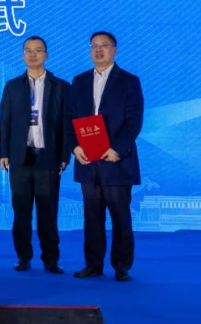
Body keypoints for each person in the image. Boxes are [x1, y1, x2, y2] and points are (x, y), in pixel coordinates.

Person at [68, 31, 143, 282]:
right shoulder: (79, 81)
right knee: (92, 217)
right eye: (94, 46)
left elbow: (134, 121)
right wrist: (74, 147)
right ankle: (93, 264)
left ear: (115, 50)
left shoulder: (129, 81)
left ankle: (122, 266)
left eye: (104, 45)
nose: (99, 50)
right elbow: (70, 118)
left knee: (120, 216)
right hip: (87, 161)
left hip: (116, 161)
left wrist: (117, 149)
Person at [0, 36, 69, 274]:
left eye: (38, 50)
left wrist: (64, 155)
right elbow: (5, 121)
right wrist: (4, 152)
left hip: (48, 158)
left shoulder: (61, 86)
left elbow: (67, 125)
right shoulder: (12, 86)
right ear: (23, 55)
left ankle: (51, 259)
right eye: (28, 50)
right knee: (21, 213)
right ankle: (23, 257)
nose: (32, 54)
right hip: (20, 158)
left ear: (46, 55)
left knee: (48, 212)